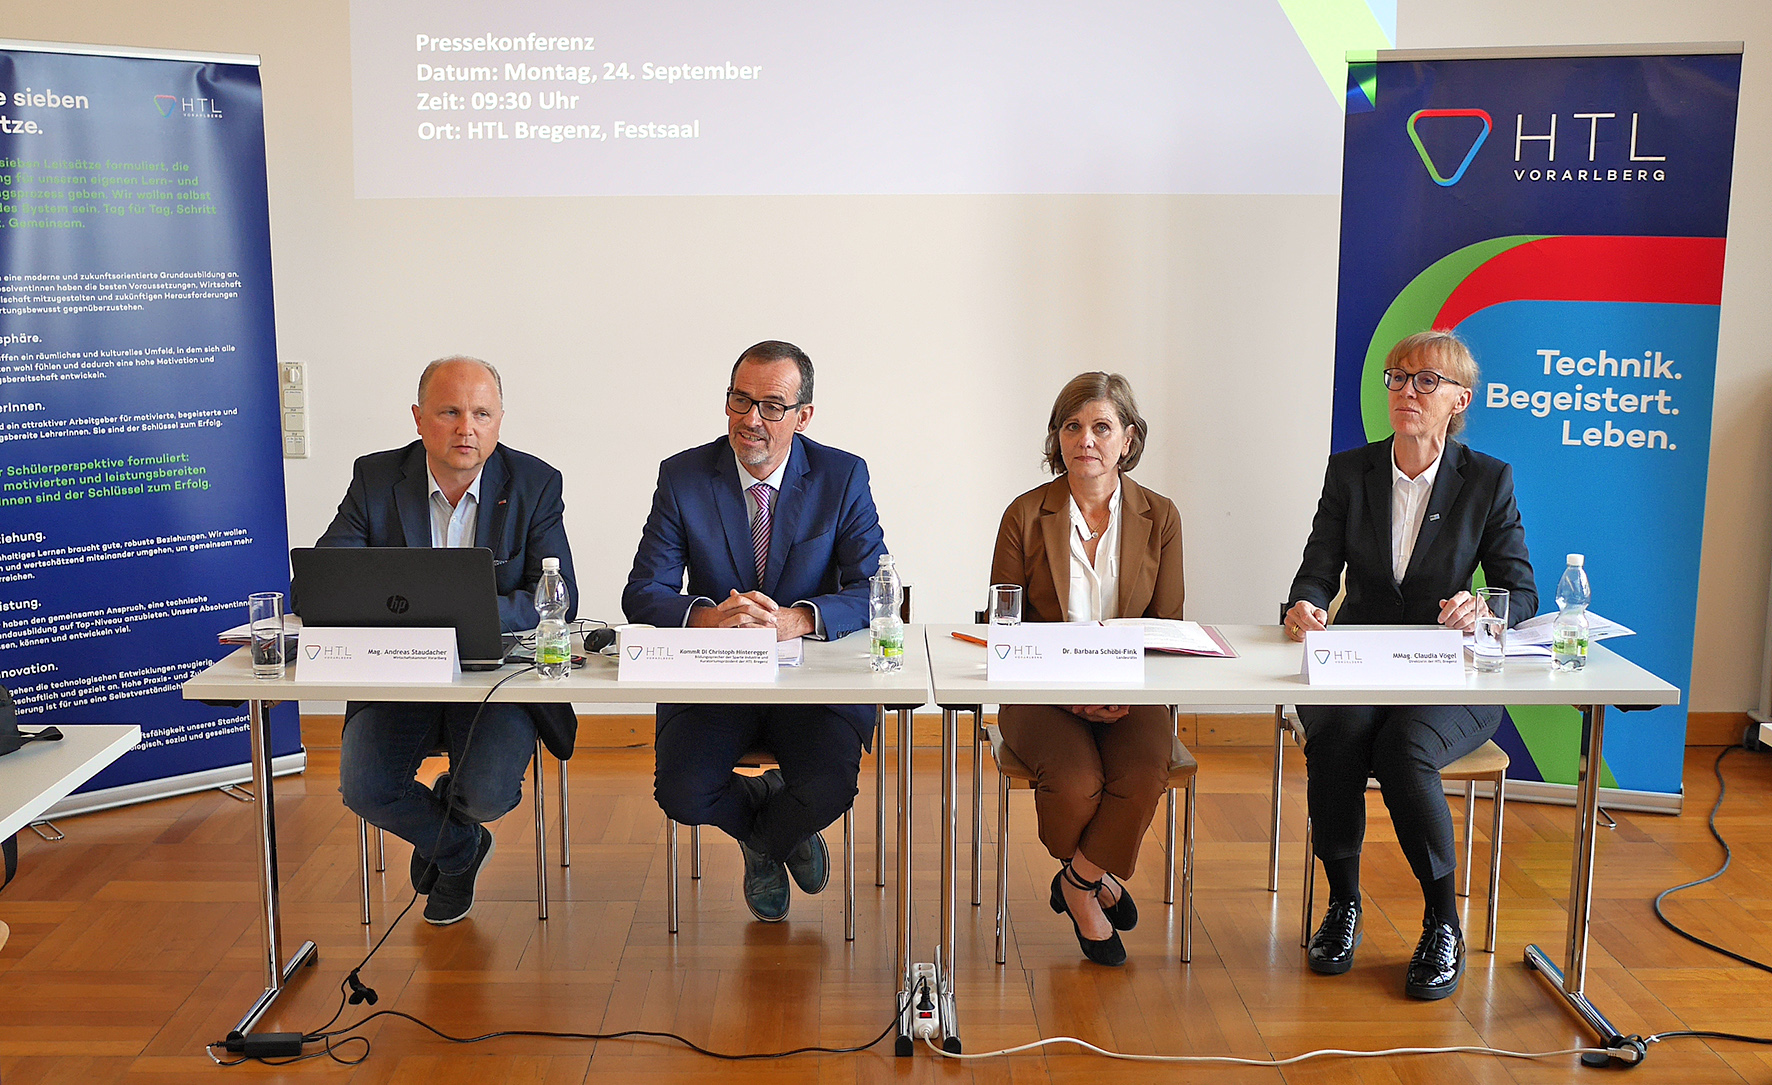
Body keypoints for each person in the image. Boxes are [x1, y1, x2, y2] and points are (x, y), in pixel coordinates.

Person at [1283, 329, 1535, 999]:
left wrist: (1481, 608)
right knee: (1336, 736)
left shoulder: (1487, 480)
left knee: (1403, 749)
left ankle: (1442, 923)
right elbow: (1317, 570)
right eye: (1398, 377)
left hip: (1447, 673)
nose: (1406, 391)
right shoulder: (1351, 471)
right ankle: (1343, 904)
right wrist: (1306, 605)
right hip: (1358, 661)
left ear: (1460, 400)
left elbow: (1520, 592)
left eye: (1426, 381)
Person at [623, 340, 886, 923]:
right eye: (740, 400)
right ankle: (774, 825)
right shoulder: (684, 476)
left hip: (812, 685)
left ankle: (764, 841)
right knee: (682, 793)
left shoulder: (842, 476)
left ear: (803, 416)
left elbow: (875, 587)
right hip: (716, 682)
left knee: (829, 787)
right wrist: (706, 617)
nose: (751, 420)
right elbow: (643, 591)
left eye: (772, 406)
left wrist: (801, 618)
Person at [319, 355, 578, 926]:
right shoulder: (376, 478)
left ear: (500, 420)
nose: (467, 428)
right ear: (418, 418)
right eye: (449, 412)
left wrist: (463, 619)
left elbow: (558, 596)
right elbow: (328, 578)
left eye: (482, 414)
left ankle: (453, 821)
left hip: (494, 674)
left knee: (487, 794)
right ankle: (459, 847)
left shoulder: (534, 483)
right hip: (398, 672)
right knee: (366, 789)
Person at [988, 372, 1185, 966]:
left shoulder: (1161, 516)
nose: (1086, 440)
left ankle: (1078, 884)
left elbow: (1167, 626)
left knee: (1145, 771)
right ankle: (1094, 877)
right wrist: (1070, 697)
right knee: (1076, 786)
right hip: (1039, 689)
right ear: (1058, 437)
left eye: (1102, 426)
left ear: (1129, 438)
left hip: (1132, 688)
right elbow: (1004, 631)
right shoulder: (1025, 514)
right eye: (1072, 426)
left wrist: (1124, 692)